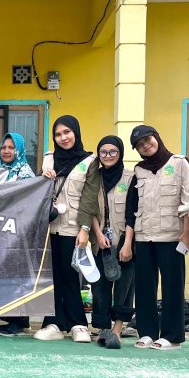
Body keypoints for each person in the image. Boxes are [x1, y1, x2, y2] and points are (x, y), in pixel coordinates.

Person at [120, 125, 189, 349]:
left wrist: (187, 232)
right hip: (144, 237)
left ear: (157, 138)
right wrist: (129, 242)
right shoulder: (139, 170)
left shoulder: (179, 163)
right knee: (144, 287)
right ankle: (147, 332)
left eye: (148, 140)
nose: (145, 146)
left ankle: (172, 336)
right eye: (139, 145)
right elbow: (132, 207)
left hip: (172, 237)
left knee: (173, 287)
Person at [34, 115, 96, 343]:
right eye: (58, 134)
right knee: (52, 278)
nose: (63, 138)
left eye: (67, 132)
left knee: (71, 277)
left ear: (76, 133)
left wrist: (85, 229)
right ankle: (53, 324)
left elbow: (90, 198)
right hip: (49, 228)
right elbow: (39, 192)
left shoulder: (89, 161)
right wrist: (43, 178)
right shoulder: (49, 159)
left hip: (73, 228)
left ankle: (78, 324)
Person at [78, 135, 134, 350]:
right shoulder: (95, 177)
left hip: (125, 240)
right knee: (99, 287)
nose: (108, 156)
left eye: (113, 152)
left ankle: (117, 329)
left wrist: (128, 243)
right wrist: (98, 234)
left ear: (120, 153)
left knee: (124, 287)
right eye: (103, 152)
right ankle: (103, 328)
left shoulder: (130, 177)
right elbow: (89, 207)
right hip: (99, 242)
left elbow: (133, 212)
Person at [0, 132, 37, 337]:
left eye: (11, 148)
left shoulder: (25, 173)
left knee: (17, 275)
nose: (6, 151)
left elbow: (29, 201)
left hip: (18, 231)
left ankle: (19, 321)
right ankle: (9, 318)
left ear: (19, 151)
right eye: (3, 147)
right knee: (2, 273)